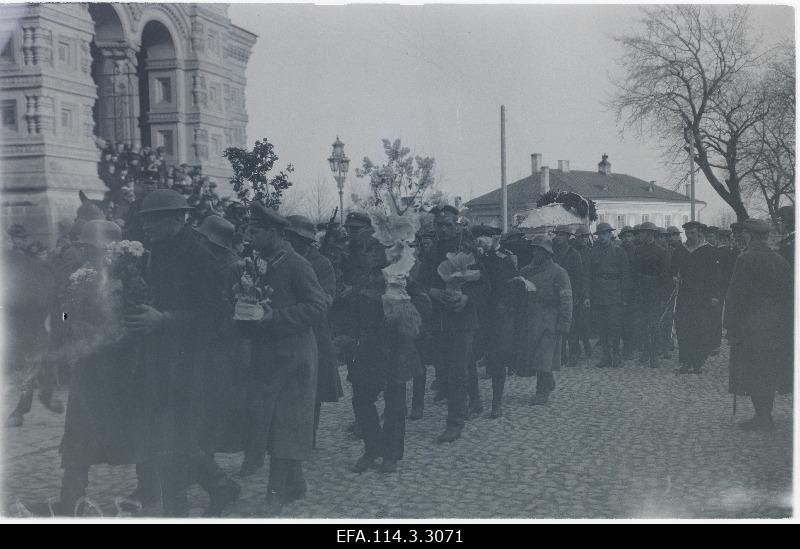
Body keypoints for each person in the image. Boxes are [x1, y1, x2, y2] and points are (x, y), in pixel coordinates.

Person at [126, 189, 233, 517]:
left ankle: (182, 510)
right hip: (160, 360)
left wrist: (165, 320)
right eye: (144, 220)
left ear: (176, 219)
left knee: (172, 443)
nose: (146, 227)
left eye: (153, 219)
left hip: (191, 364)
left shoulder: (200, 257)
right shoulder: (156, 252)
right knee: (167, 441)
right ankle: (219, 487)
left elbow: (218, 315)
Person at [239, 203, 327, 516]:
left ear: (274, 233)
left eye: (255, 231)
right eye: (249, 229)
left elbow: (318, 307)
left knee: (285, 422)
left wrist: (275, 317)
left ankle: (275, 494)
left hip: (295, 355)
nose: (249, 235)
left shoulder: (297, 264)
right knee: (273, 420)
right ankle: (297, 484)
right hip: (269, 354)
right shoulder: (258, 261)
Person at [417, 205, 489, 443]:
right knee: (447, 370)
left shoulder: (469, 248)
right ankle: (474, 401)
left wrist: (467, 297)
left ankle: (455, 423)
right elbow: (421, 282)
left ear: (456, 223)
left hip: (463, 319)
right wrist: (433, 292)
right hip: (439, 319)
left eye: (448, 224)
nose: (444, 229)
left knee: (458, 370)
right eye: (440, 225)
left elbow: (485, 286)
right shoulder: (431, 252)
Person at [725, 219, 793, 431]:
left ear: (751, 236)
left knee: (754, 369)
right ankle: (766, 414)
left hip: (751, 325)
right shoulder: (781, 261)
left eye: (745, 234)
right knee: (770, 368)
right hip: (777, 325)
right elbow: (790, 296)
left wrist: (730, 325)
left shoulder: (745, 259)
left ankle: (761, 416)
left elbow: (736, 295)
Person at [284, 215, 342, 450]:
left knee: (314, 388)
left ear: (303, 240)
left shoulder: (321, 264)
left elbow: (326, 299)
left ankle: (309, 436)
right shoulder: (282, 260)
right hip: (286, 331)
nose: (289, 241)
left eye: (293, 237)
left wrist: (300, 306)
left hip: (314, 332)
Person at [4, 225, 60, 428]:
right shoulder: (24, 261)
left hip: (31, 321)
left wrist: (62, 320)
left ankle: (25, 406)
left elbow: (59, 306)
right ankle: (42, 396)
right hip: (33, 321)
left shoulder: (22, 262)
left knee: (31, 361)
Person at [513, 235, 572, 404]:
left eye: (539, 250)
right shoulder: (526, 271)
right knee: (533, 355)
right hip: (530, 318)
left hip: (549, 318)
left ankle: (542, 391)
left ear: (547, 253)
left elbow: (566, 299)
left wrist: (564, 323)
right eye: (534, 249)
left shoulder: (559, 272)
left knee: (543, 355)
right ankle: (548, 379)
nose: (535, 253)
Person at [470, 225, 518, 418]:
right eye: (477, 237)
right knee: (469, 359)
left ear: (495, 238)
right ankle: (474, 400)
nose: (480, 241)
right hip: (477, 316)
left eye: (484, 237)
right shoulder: (473, 259)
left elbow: (513, 286)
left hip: (497, 317)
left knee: (497, 361)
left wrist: (504, 305)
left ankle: (496, 402)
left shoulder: (505, 259)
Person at [671, 221, 722, 374]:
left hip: (703, 295)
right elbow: (673, 268)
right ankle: (686, 361)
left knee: (700, 327)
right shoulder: (680, 250)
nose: (690, 236)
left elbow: (716, 276)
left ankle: (698, 361)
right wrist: (674, 277)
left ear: (699, 233)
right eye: (687, 233)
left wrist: (715, 295)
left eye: (693, 233)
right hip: (685, 295)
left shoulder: (708, 250)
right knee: (684, 327)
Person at [587, 222, 630, 369]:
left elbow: (625, 276)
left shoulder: (619, 252)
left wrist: (624, 296)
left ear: (610, 235)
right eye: (600, 234)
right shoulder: (593, 252)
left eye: (605, 234)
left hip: (615, 293)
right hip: (599, 293)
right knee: (602, 326)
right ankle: (606, 355)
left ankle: (616, 353)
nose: (603, 237)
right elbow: (589, 275)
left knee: (615, 325)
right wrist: (589, 295)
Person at [629, 222, 671, 368]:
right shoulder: (636, 250)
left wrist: (663, 297)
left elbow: (666, 276)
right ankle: (645, 352)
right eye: (640, 232)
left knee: (654, 324)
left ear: (650, 233)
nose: (640, 235)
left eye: (642, 232)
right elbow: (632, 273)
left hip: (655, 292)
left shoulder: (661, 251)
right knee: (642, 324)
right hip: (640, 292)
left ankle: (654, 355)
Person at [551, 225, 587, 367]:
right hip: (555, 292)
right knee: (558, 324)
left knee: (572, 326)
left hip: (571, 293)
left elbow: (579, 277)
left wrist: (578, 295)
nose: (558, 237)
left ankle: (573, 353)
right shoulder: (552, 252)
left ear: (567, 237)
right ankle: (561, 355)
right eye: (557, 234)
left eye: (561, 235)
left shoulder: (574, 254)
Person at [571, 225, 593, 357]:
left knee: (584, 320)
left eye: (586, 236)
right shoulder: (571, 251)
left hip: (586, 288)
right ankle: (576, 348)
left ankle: (586, 343)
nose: (584, 239)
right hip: (574, 288)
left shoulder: (589, 251)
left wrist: (588, 294)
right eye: (582, 237)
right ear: (577, 238)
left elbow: (590, 273)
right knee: (574, 321)